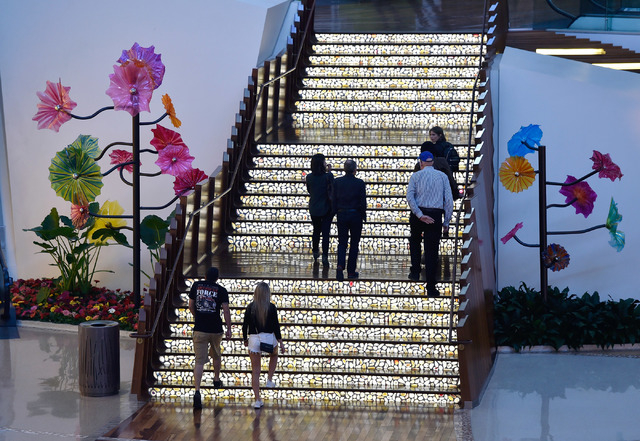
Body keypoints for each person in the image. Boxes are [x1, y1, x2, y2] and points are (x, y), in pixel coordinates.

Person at [406, 151, 454, 297]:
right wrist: (446, 221)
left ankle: (415, 271)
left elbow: (410, 197)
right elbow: (449, 201)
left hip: (418, 213)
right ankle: (431, 287)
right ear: (432, 162)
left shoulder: (415, 176)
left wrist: (420, 215)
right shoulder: (442, 176)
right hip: (435, 215)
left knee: (415, 240)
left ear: (421, 162)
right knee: (432, 250)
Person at [189, 266, 232, 409]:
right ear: (217, 278)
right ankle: (216, 379)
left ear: (205, 276)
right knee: (216, 354)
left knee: (199, 361)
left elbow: (191, 305)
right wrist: (229, 328)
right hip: (216, 329)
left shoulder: (196, 286)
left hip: (200, 329)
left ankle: (197, 391)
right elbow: (225, 310)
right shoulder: (222, 290)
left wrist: (197, 316)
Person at [242, 281, 285, 409]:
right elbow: (276, 327)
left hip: (254, 339)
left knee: (255, 371)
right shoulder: (271, 307)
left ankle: (257, 400)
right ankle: (269, 379)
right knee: (274, 354)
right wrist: (281, 342)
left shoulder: (250, 307)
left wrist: (245, 339)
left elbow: (245, 326)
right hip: (268, 337)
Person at [332, 159, 367, 281]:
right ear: (355, 170)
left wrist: (335, 212)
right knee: (354, 243)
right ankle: (351, 271)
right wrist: (364, 215)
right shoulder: (360, 183)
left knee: (342, 242)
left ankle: (340, 266)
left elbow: (333, 199)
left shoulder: (337, 182)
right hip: (355, 215)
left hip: (342, 214)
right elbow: (363, 201)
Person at [305, 153, 335, 266]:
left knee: (316, 230)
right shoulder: (328, 176)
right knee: (326, 233)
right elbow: (332, 186)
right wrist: (330, 171)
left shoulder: (309, 177)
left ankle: (315, 251)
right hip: (326, 208)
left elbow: (309, 190)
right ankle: (325, 255)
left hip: (314, 207)